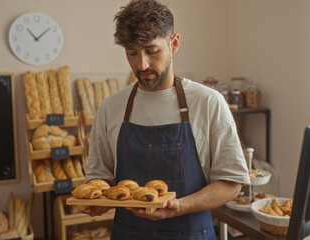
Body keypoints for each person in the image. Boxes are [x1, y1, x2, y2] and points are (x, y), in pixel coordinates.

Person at [81, 0, 250, 239]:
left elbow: (232, 183)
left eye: (152, 50)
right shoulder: (111, 107)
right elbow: (100, 178)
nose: (142, 64)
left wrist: (179, 207)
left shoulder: (208, 102)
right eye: (132, 52)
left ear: (174, 43)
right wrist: (99, 201)